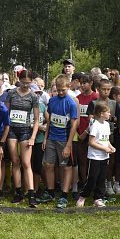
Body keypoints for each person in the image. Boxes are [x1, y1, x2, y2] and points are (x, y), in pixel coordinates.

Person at [4, 71, 41, 207]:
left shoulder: (33, 96)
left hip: (26, 130)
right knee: (15, 161)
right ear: (19, 80)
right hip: (12, 130)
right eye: (23, 82)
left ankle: (31, 194)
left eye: (28, 82)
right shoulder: (12, 93)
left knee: (26, 163)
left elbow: (36, 119)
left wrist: (33, 137)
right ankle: (18, 192)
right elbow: (6, 113)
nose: (26, 84)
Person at [43, 75, 79, 210]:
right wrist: (46, 138)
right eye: (58, 90)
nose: (60, 92)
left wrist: (69, 145)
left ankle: (64, 195)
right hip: (52, 137)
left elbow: (74, 125)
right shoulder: (52, 101)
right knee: (48, 165)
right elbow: (50, 120)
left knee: (66, 167)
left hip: (64, 139)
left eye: (63, 90)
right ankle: (51, 192)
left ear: (68, 87)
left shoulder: (71, 103)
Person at [77, 102, 114, 208]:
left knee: (102, 178)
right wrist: (104, 148)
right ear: (101, 113)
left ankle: (98, 198)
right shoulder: (95, 125)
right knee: (92, 178)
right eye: (108, 112)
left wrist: (110, 147)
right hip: (95, 157)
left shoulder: (107, 125)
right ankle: (83, 195)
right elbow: (92, 142)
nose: (109, 114)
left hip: (104, 157)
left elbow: (105, 140)